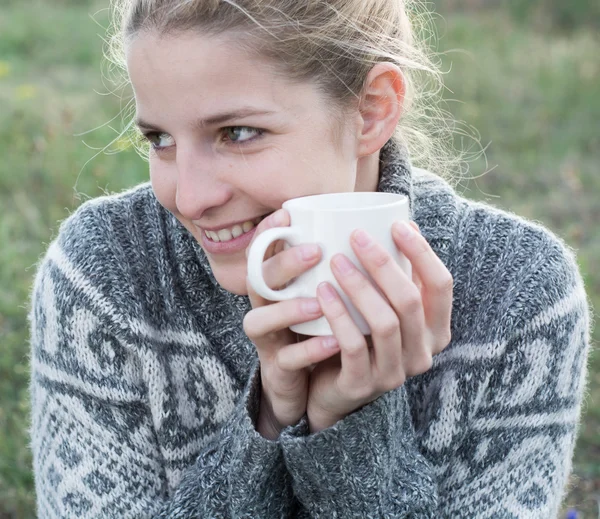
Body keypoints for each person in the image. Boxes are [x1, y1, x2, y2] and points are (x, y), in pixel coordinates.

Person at [28, 0, 591, 517]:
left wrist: (352, 427)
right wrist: (270, 417)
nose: (189, 197)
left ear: (372, 111)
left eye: (238, 133)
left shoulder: (519, 292)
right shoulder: (105, 270)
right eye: (159, 139)